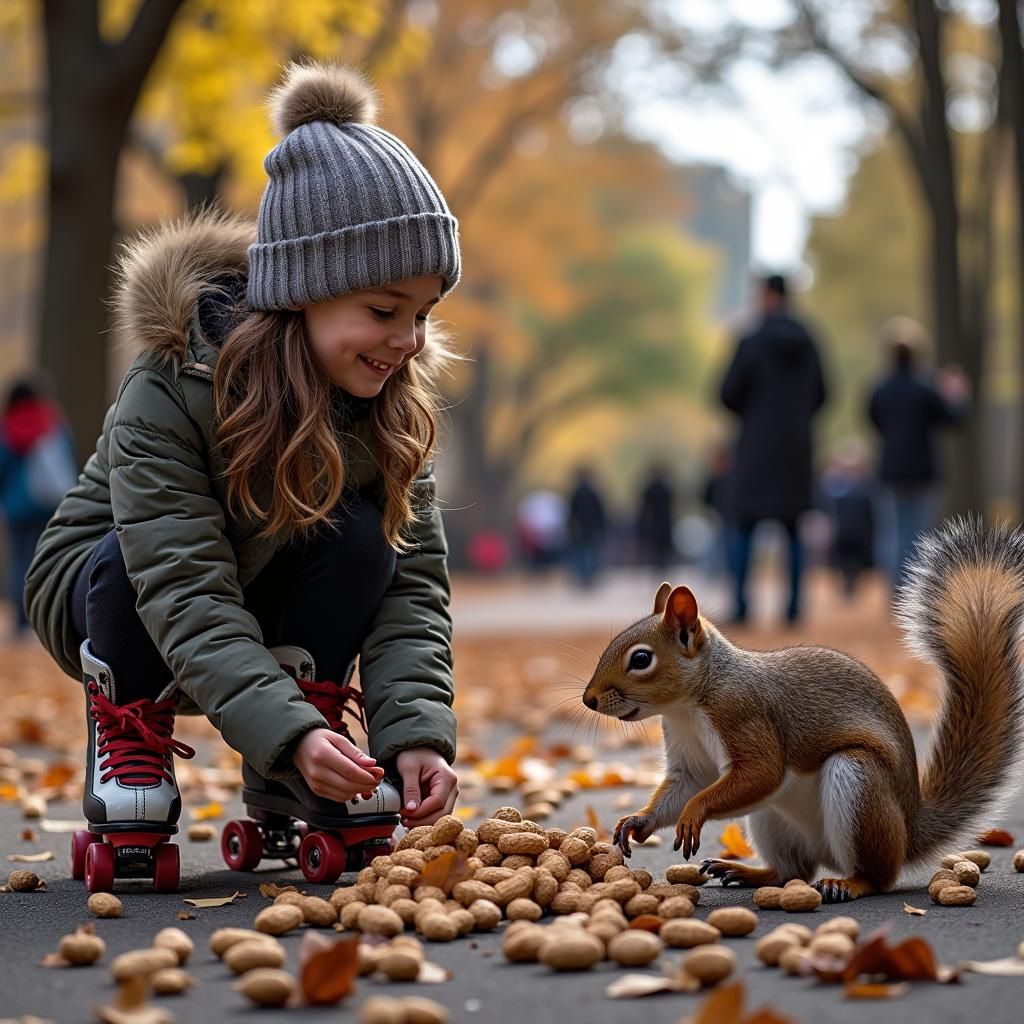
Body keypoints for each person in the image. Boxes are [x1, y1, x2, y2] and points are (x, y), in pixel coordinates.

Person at [24, 63, 461, 868]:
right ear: (303, 291)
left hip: (262, 585)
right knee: (128, 562)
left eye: (423, 314)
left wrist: (416, 734)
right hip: (116, 593)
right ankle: (132, 740)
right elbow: (179, 580)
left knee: (369, 539)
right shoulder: (175, 383)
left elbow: (411, 590)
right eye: (382, 310)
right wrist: (283, 727)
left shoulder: (389, 409)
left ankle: (306, 748)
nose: (408, 340)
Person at [720, 273, 826, 624]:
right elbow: (825, 393)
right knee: (793, 529)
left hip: (755, 447)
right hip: (796, 448)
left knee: (742, 526)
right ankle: (794, 607)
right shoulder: (810, 341)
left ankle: (741, 605)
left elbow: (726, 393)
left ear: (767, 295)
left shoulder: (750, 341)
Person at [867, 316, 969, 590]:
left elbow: (873, 421)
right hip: (923, 469)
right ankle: (916, 591)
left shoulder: (880, 389)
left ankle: (896, 590)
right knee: (920, 533)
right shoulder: (927, 387)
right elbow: (953, 420)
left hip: (891, 469)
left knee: (893, 533)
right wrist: (958, 395)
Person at [0, 375, 77, 638]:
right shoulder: (52, 421)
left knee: (19, 563)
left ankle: (21, 623)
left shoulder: (7, 426)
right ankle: (41, 620)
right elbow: (67, 453)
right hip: (47, 503)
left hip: (16, 507)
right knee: (43, 560)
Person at [820, 439, 875, 599]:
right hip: (840, 532)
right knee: (841, 559)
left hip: (860, 533)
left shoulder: (866, 486)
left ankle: (853, 581)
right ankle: (846, 582)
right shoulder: (831, 485)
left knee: (857, 560)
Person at [566, 466, 607, 589]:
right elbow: (600, 512)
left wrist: (571, 526)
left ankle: (583, 576)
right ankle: (590, 576)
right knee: (591, 551)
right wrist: (601, 526)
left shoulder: (576, 492)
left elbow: (572, 512)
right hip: (592, 527)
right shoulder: (594, 492)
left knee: (581, 551)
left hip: (580, 527)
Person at [636, 463, 676, 575]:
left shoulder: (649, 489)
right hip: (665, 523)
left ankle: (658, 568)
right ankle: (663, 568)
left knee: (656, 550)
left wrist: (643, 525)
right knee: (664, 550)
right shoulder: (667, 488)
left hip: (654, 524)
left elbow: (644, 509)